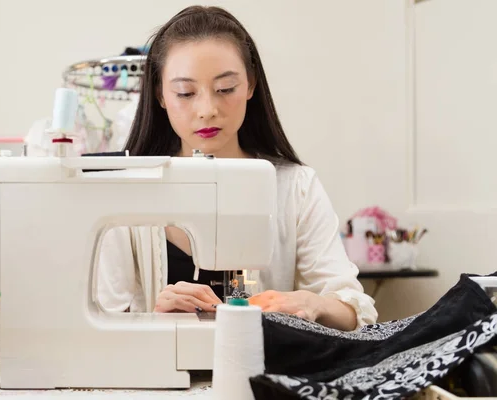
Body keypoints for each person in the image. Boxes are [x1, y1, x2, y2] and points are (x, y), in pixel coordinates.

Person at [96, 5, 377, 331]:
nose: (207, 110)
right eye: (185, 93)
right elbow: (105, 323)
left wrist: (313, 304)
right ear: (160, 94)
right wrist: (155, 319)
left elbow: (358, 315)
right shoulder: (127, 192)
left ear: (251, 85)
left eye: (225, 89)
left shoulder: (296, 187)